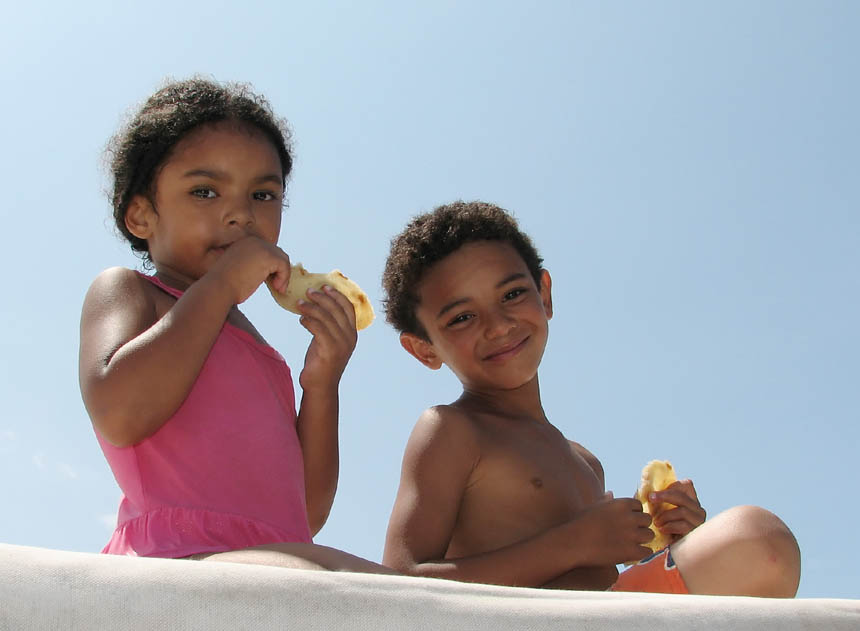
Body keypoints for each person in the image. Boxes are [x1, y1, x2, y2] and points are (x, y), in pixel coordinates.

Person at [381, 201, 800, 596]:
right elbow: (401, 581)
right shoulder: (452, 429)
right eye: (462, 318)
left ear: (544, 294)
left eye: (511, 295)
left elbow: (594, 576)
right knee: (756, 533)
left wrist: (674, 540)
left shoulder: (586, 463)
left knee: (754, 550)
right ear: (425, 349)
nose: (498, 325)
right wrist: (573, 543)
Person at [80, 78, 391, 574]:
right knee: (373, 587)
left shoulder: (262, 353)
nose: (241, 215)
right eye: (205, 191)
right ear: (140, 215)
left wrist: (322, 383)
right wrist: (224, 282)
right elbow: (120, 413)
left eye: (263, 195)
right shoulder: (130, 292)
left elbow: (303, 513)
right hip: (176, 558)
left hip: (272, 564)